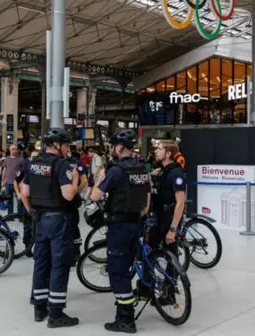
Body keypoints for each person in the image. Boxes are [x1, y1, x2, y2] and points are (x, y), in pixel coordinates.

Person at [90, 129, 150, 333]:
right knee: (129, 264)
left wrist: (100, 177)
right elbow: (147, 199)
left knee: (118, 271)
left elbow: (95, 196)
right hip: (137, 223)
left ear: (119, 147)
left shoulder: (116, 171)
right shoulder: (142, 168)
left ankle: (126, 319)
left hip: (119, 226)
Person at [20, 128, 80, 328]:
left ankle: (39, 308)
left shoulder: (34, 163)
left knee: (41, 263)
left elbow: (23, 191)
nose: (67, 149)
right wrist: (75, 180)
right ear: (58, 145)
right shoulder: (61, 164)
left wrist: (31, 212)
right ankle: (56, 313)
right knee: (59, 264)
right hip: (58, 221)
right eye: (66, 145)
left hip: (40, 220)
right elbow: (69, 195)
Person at [149, 139, 186, 284]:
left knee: (171, 256)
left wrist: (172, 229)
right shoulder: (162, 171)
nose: (155, 151)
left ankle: (169, 291)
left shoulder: (176, 173)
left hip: (169, 220)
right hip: (158, 218)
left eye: (159, 149)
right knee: (150, 252)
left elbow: (180, 202)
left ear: (168, 153)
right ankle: (147, 287)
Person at [64, 148, 88, 265]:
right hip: (73, 200)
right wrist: (76, 191)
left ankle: (67, 253)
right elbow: (84, 182)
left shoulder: (57, 162)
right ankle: (75, 253)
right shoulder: (77, 163)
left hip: (61, 200)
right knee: (74, 226)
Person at [2, 145, 24, 214]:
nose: (14, 150)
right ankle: (10, 215)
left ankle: (20, 215)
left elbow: (24, 171)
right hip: (8, 183)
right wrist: (2, 181)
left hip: (18, 183)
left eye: (16, 149)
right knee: (8, 200)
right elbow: (4, 170)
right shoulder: (6, 159)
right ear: (10, 150)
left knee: (19, 200)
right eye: (13, 149)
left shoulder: (22, 159)